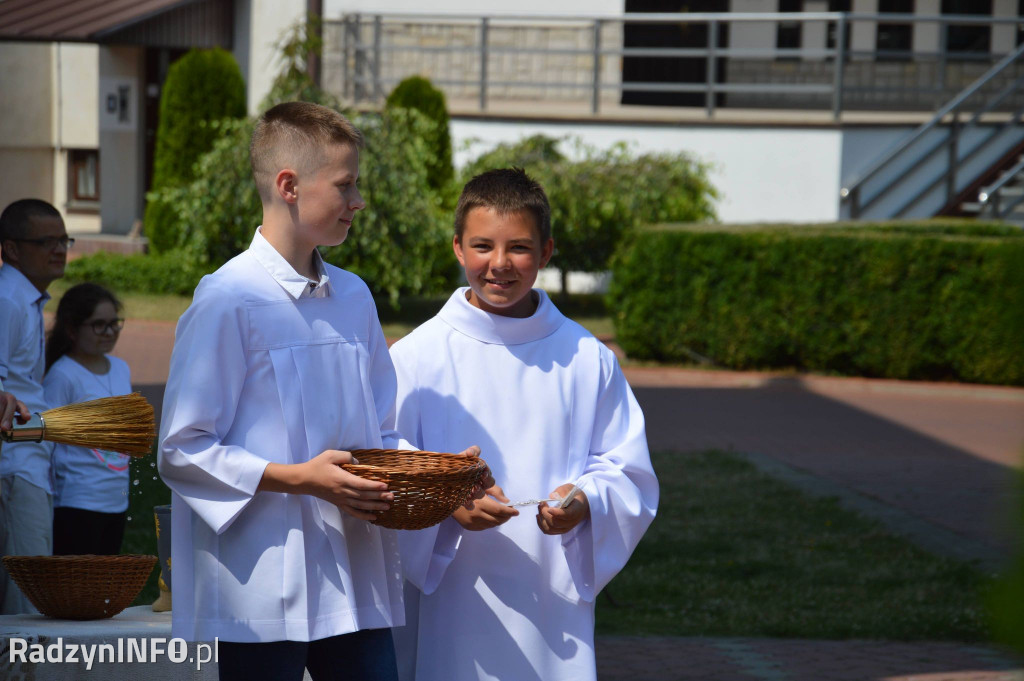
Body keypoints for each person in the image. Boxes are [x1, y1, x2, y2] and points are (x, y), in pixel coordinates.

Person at [158, 101, 473, 681]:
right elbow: (182, 447)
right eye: (346, 185)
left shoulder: (353, 297)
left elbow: (379, 431)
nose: (359, 202)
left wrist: (441, 479)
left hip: (352, 574)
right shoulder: (229, 299)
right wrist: (300, 478)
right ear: (289, 186)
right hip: (260, 586)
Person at [389, 168, 659, 680]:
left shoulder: (585, 357)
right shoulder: (418, 356)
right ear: (457, 248)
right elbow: (387, 458)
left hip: (548, 595)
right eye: (482, 246)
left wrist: (584, 502)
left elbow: (626, 468)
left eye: (518, 248)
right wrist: (447, 502)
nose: (498, 264)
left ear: (547, 251)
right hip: (453, 592)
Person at [0, 198, 69, 614]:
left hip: (29, 459)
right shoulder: (8, 301)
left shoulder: (23, 299)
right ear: (10, 248)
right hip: (15, 465)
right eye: (45, 241)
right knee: (26, 594)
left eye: (64, 240)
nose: (59, 249)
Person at [44, 283, 132, 556]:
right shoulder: (63, 375)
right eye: (99, 325)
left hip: (115, 500)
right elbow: (48, 440)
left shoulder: (120, 368)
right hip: (77, 502)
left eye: (114, 323)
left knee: (102, 588)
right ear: (72, 329)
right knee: (76, 590)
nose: (109, 332)